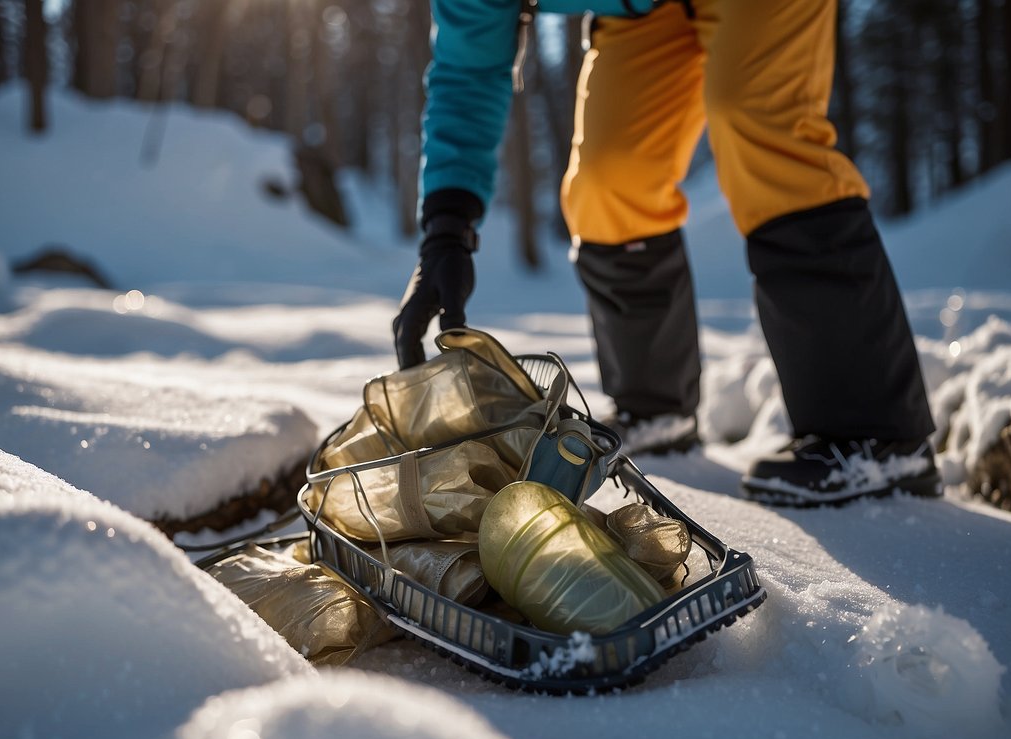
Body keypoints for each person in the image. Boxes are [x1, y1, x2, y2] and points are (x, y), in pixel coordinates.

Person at [393, 0, 942, 508]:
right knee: (608, 180)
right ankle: (655, 407)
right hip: (642, 9)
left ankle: (875, 435)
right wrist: (447, 231)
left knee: (759, 121)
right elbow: (466, 72)